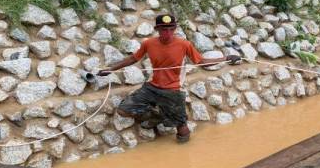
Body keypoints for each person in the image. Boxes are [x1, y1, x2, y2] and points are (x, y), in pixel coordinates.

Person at [98, 14, 241, 143]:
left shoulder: (184, 44)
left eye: (170, 29)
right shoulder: (148, 43)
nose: (167, 33)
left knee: (182, 130)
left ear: (174, 29)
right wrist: (110, 69)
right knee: (123, 110)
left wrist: (226, 58)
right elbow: (132, 58)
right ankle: (158, 115)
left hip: (172, 90)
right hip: (151, 88)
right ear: (157, 30)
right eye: (163, 29)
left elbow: (201, 62)